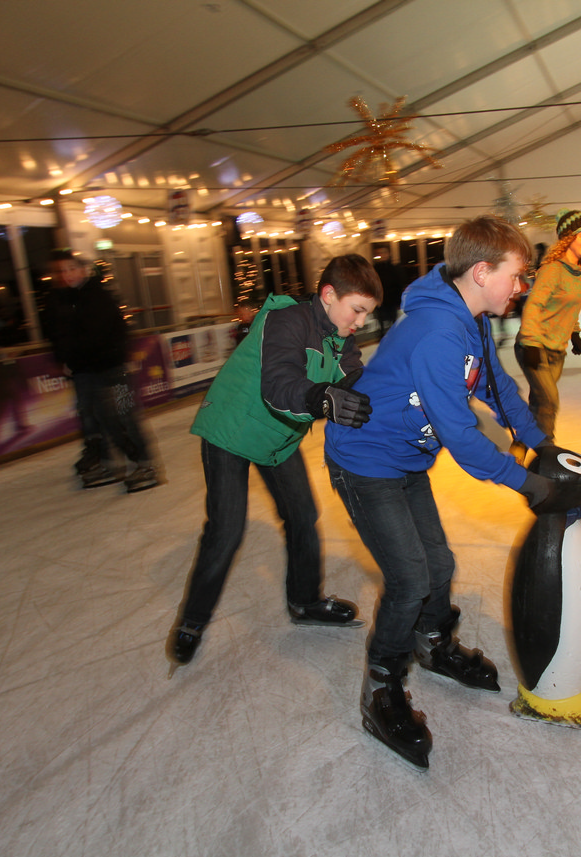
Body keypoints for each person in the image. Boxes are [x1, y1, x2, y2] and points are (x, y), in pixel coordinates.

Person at [324, 215, 558, 769]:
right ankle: (380, 688)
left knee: (439, 563)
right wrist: (525, 482)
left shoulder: (470, 321)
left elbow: (497, 387)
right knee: (410, 578)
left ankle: (432, 644)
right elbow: (460, 434)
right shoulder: (437, 332)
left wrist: (540, 442)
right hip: (365, 461)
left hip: (405, 459)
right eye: (516, 275)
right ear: (482, 272)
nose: (520, 287)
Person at [167, 255, 382, 667]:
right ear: (329, 295)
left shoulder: (341, 338)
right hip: (230, 429)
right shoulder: (287, 321)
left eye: (366, 314)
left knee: (302, 515)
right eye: (357, 310)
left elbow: (357, 384)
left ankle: (305, 601)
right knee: (226, 530)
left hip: (276, 438)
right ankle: (192, 621)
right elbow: (280, 384)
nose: (360, 322)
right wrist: (321, 397)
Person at [42, 250, 158, 493]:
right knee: (94, 418)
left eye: (72, 268)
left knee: (124, 415)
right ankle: (108, 464)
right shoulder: (60, 300)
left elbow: (101, 335)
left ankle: (145, 465)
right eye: (62, 270)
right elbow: (57, 334)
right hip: (85, 371)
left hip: (114, 368)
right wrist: (64, 359)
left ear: (83, 270)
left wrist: (78, 357)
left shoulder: (99, 297)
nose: (67, 274)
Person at [515, 209, 581, 439]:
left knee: (539, 403)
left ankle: (522, 445)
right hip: (534, 346)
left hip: (557, 351)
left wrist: (575, 332)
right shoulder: (552, 269)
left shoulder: (580, 270)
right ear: (568, 238)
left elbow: (571, 305)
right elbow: (533, 306)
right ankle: (546, 450)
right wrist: (531, 343)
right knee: (549, 402)